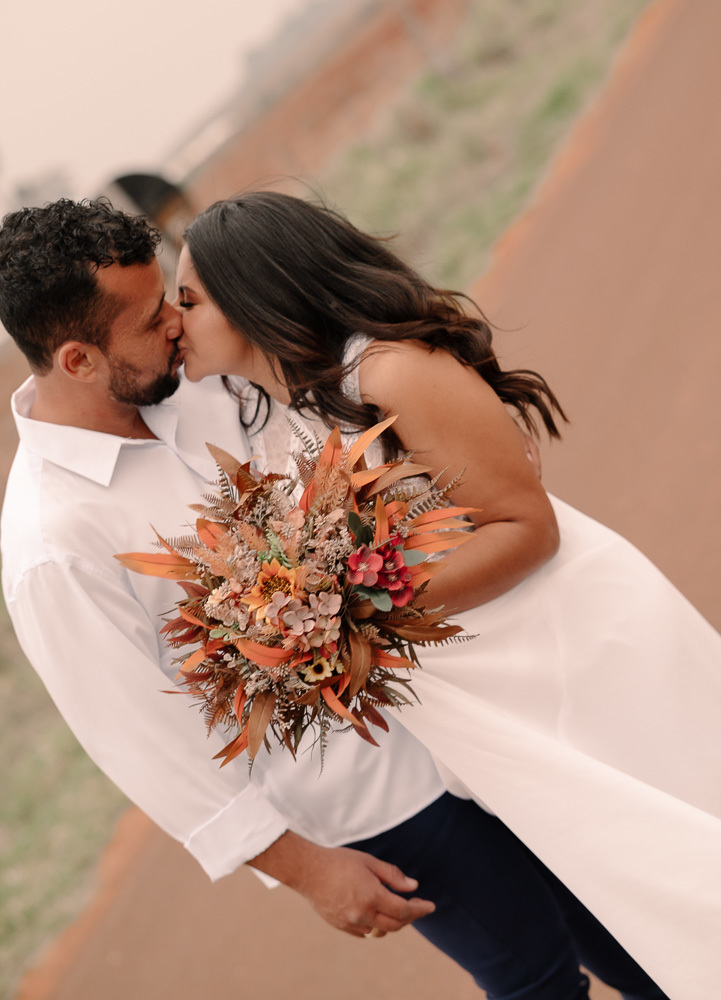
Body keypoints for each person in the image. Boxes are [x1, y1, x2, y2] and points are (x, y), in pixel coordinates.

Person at [0, 198, 673, 1000]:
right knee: (534, 975)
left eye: (173, 299)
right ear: (78, 360)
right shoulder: (53, 544)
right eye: (152, 319)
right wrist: (305, 869)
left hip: (477, 714)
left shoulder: (204, 380)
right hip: (377, 797)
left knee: (640, 935)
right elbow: (138, 740)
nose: (177, 322)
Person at [173, 189, 721, 1000]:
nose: (174, 319)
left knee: (685, 854)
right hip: (486, 701)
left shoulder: (390, 370)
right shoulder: (275, 415)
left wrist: (346, 611)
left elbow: (525, 527)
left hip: (574, 658)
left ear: (252, 293)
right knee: (636, 896)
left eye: (189, 299)